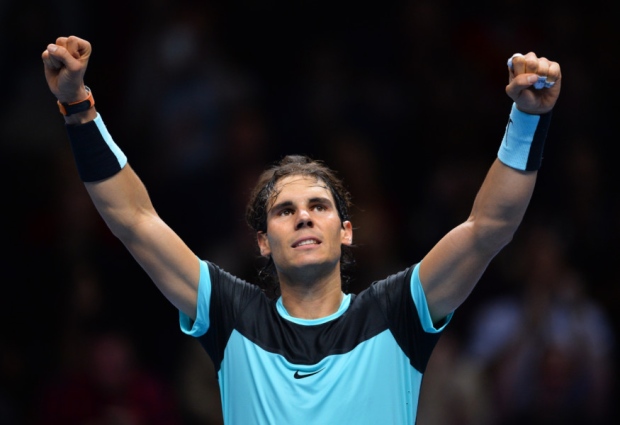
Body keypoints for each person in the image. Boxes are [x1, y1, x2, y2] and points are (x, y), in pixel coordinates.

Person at [41, 35, 562, 424]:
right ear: (263, 243)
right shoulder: (230, 313)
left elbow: (489, 226)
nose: (304, 216)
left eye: (318, 205)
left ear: (347, 231)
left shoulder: (399, 310)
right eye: (284, 210)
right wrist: (77, 106)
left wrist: (527, 121)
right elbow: (134, 221)